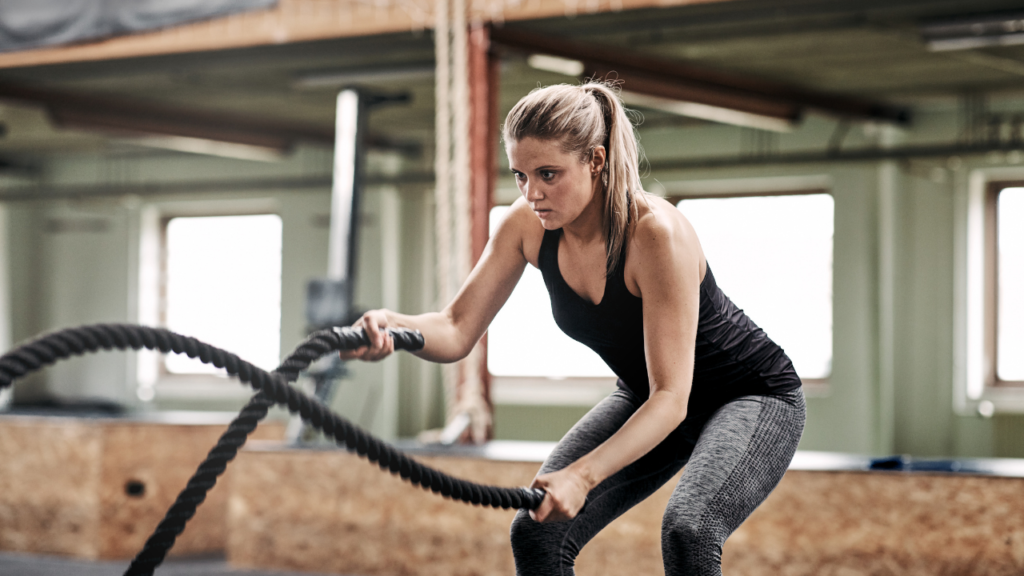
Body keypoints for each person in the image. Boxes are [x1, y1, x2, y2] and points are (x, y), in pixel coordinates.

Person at [340, 81, 805, 576]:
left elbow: (673, 398)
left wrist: (581, 477)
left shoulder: (655, 234)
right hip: (649, 396)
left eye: (548, 174)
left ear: (597, 161)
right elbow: (455, 328)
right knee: (538, 530)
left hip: (751, 395)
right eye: (520, 175)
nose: (531, 193)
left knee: (690, 530)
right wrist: (396, 328)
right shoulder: (527, 224)